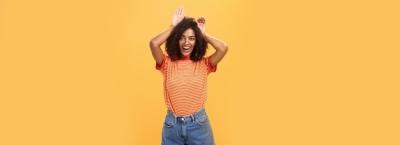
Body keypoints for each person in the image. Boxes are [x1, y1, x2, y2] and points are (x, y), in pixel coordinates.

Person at [149, 7, 228, 145]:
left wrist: (203, 34)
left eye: (192, 38)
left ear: (197, 41)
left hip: (198, 124)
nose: (187, 42)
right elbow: (154, 43)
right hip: (172, 126)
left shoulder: (204, 64)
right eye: (182, 38)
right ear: (176, 40)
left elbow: (223, 48)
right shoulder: (167, 63)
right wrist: (173, 27)